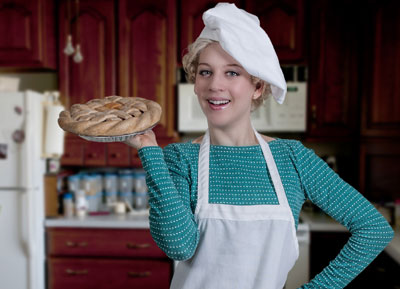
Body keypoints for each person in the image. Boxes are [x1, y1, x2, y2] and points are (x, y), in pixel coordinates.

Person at [124, 3, 394, 289]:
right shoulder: (179, 158)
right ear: (195, 83)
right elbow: (179, 247)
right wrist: (149, 150)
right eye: (205, 72)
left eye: (232, 73)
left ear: (257, 87)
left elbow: (373, 228)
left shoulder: (292, 158)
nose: (215, 85)